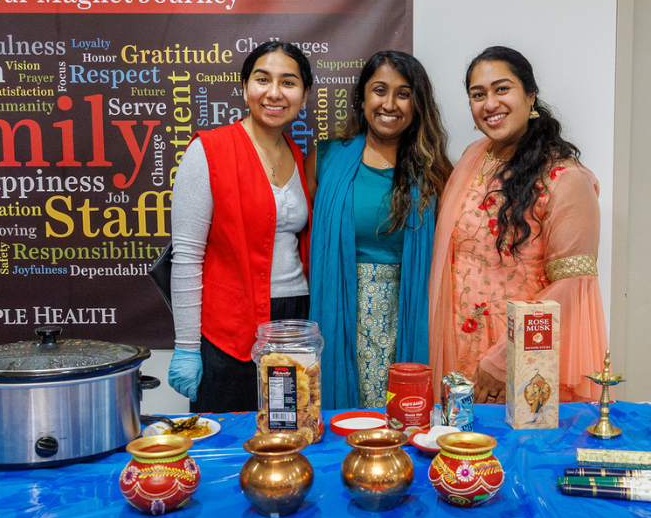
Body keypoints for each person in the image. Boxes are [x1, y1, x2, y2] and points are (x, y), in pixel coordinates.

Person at [428, 46, 608, 404]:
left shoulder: (565, 178)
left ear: (530, 96)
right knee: (462, 455)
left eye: (502, 89)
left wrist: (501, 358)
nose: (490, 103)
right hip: (459, 350)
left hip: (523, 355)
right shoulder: (472, 158)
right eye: (478, 95)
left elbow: (571, 288)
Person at [168, 41, 314, 413]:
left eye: (289, 82)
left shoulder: (299, 156)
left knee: (288, 438)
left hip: (293, 322)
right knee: (228, 446)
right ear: (245, 86)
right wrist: (186, 347)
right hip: (229, 328)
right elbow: (186, 256)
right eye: (262, 79)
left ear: (305, 93)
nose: (274, 93)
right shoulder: (209, 151)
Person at [308, 51, 452, 409]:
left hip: (409, 311)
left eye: (404, 93)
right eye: (379, 90)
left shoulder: (436, 172)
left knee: (403, 418)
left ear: (417, 104)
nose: (390, 103)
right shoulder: (324, 159)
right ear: (361, 98)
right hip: (341, 310)